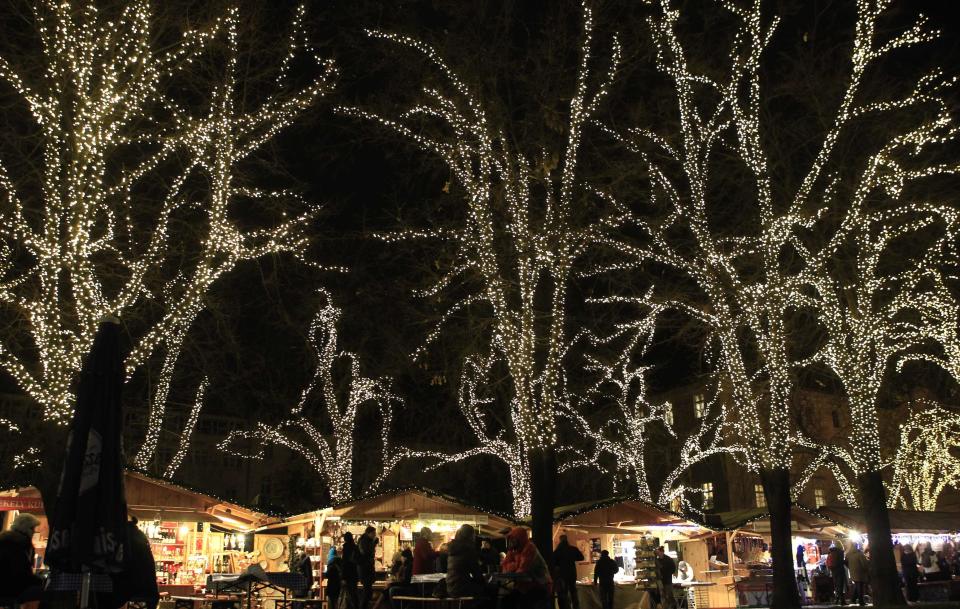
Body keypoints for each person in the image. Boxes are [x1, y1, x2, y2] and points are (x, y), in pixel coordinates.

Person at [111, 516, 160, 609]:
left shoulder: (125, 537)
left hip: (130, 588)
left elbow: (121, 562)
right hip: (145, 590)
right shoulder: (140, 536)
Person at [500, 527, 552, 608]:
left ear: (519, 539)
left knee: (521, 603)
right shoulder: (514, 549)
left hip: (540, 585)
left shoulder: (529, 548)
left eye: (513, 539)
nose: (511, 542)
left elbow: (522, 570)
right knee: (505, 601)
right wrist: (516, 565)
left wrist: (514, 566)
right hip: (525, 586)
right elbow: (504, 566)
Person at [0, 513, 43, 601]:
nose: (34, 532)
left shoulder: (8, 541)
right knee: (45, 593)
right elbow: (21, 575)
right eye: (33, 529)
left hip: (6, 587)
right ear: (26, 529)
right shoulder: (17, 545)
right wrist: (40, 580)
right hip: (8, 590)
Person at [446, 524, 485, 599]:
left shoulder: (453, 549)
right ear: (470, 536)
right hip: (462, 589)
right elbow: (476, 572)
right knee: (489, 591)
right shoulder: (468, 550)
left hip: (450, 587)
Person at [554, 535, 585, 609]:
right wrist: (572, 558)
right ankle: (576, 607)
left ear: (560, 540)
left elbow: (554, 562)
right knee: (573, 591)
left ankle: (566, 607)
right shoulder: (572, 549)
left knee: (563, 593)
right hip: (572, 574)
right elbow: (581, 557)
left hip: (562, 575)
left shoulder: (558, 550)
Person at [358, 526, 379, 609]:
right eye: (373, 533)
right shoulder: (364, 541)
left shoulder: (366, 540)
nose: (374, 535)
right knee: (367, 592)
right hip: (365, 569)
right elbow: (366, 553)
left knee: (368, 592)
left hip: (367, 568)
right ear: (368, 533)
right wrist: (374, 543)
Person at [341, 532, 361, 609]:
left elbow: (344, 563)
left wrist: (343, 577)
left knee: (349, 592)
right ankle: (356, 606)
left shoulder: (346, 547)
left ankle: (350, 606)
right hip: (354, 572)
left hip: (348, 573)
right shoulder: (355, 547)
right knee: (353, 592)